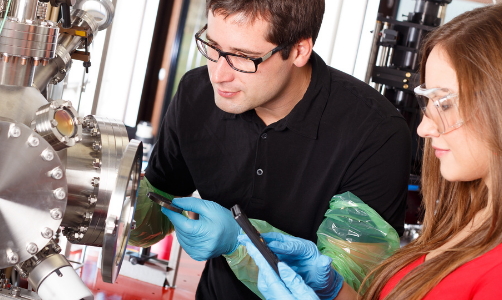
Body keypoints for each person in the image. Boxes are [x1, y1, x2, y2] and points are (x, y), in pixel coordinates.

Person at [241, 2, 502, 300]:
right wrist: (334, 289)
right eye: (428, 102)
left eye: (445, 104)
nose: (424, 128)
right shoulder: (480, 219)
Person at [127, 0, 411, 299]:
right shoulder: (195, 94)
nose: (218, 75)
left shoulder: (377, 133)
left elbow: (348, 287)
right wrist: (106, 193)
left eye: (243, 57)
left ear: (299, 51)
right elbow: (151, 216)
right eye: (213, 46)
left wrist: (239, 242)